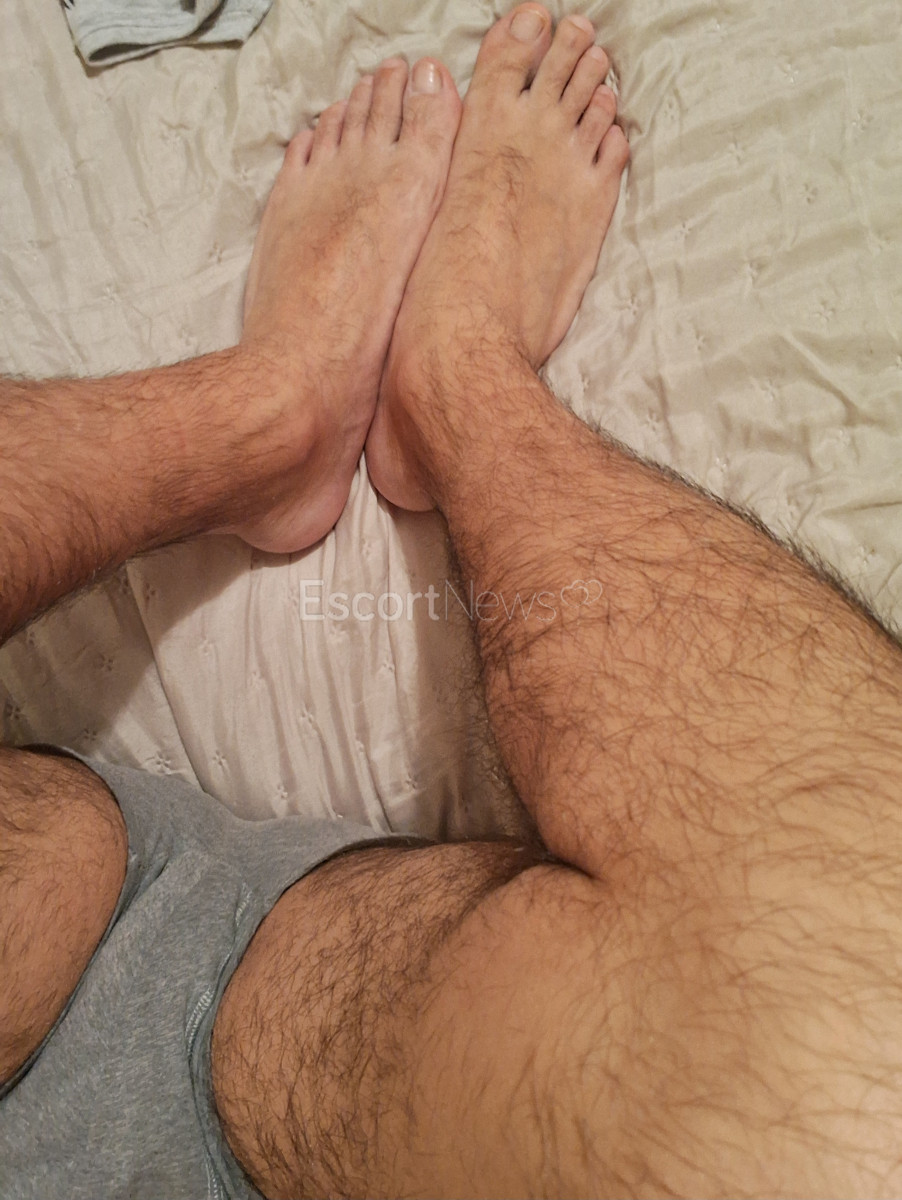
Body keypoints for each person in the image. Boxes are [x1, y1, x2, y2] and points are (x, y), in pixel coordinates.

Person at [2, 4, 902, 1197]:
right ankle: (457, 369)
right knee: (846, 1024)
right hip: (308, 1094)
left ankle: (270, 415)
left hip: (100, 900)